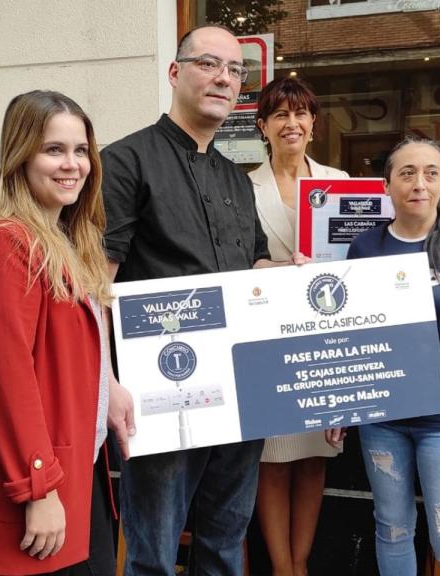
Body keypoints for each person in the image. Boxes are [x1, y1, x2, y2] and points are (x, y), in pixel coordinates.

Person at [103, 25, 301, 576]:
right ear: (175, 72)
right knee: (154, 555)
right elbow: (98, 284)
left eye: (235, 71)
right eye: (209, 64)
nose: (223, 78)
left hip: (240, 387)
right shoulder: (124, 162)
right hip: (162, 388)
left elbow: (254, 266)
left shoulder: (238, 180)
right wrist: (107, 382)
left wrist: (287, 276)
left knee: (223, 540)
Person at [0, 90, 115, 576]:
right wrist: (37, 487)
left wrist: (111, 391)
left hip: (80, 471)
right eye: (54, 150)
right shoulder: (5, 243)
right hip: (37, 485)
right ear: (21, 156)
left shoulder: (66, 239)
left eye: (80, 151)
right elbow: (7, 377)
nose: (72, 164)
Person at [329, 136, 440, 576]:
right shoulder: (366, 248)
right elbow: (354, 334)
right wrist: (343, 402)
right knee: (391, 529)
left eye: (431, 173)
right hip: (382, 417)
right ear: (387, 185)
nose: (419, 184)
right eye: (407, 173)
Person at [248, 76, 345, 576]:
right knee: (272, 458)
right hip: (269, 336)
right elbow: (242, 262)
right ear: (263, 126)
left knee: (314, 457)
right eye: (280, 115)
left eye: (301, 113)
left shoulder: (341, 181)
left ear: (313, 123)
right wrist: (284, 272)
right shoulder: (243, 187)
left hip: (328, 334)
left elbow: (359, 261)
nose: (292, 123)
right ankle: (282, 568)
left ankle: (301, 565)